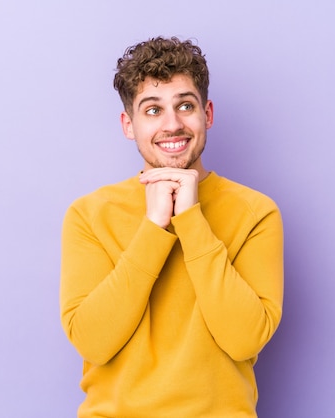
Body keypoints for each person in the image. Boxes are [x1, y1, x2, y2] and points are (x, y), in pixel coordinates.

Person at [60, 36, 284, 418]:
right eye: (152, 110)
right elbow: (93, 342)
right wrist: (154, 226)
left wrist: (191, 219)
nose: (173, 124)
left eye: (185, 105)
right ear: (128, 125)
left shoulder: (256, 212)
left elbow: (244, 339)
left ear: (207, 114)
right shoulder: (89, 214)